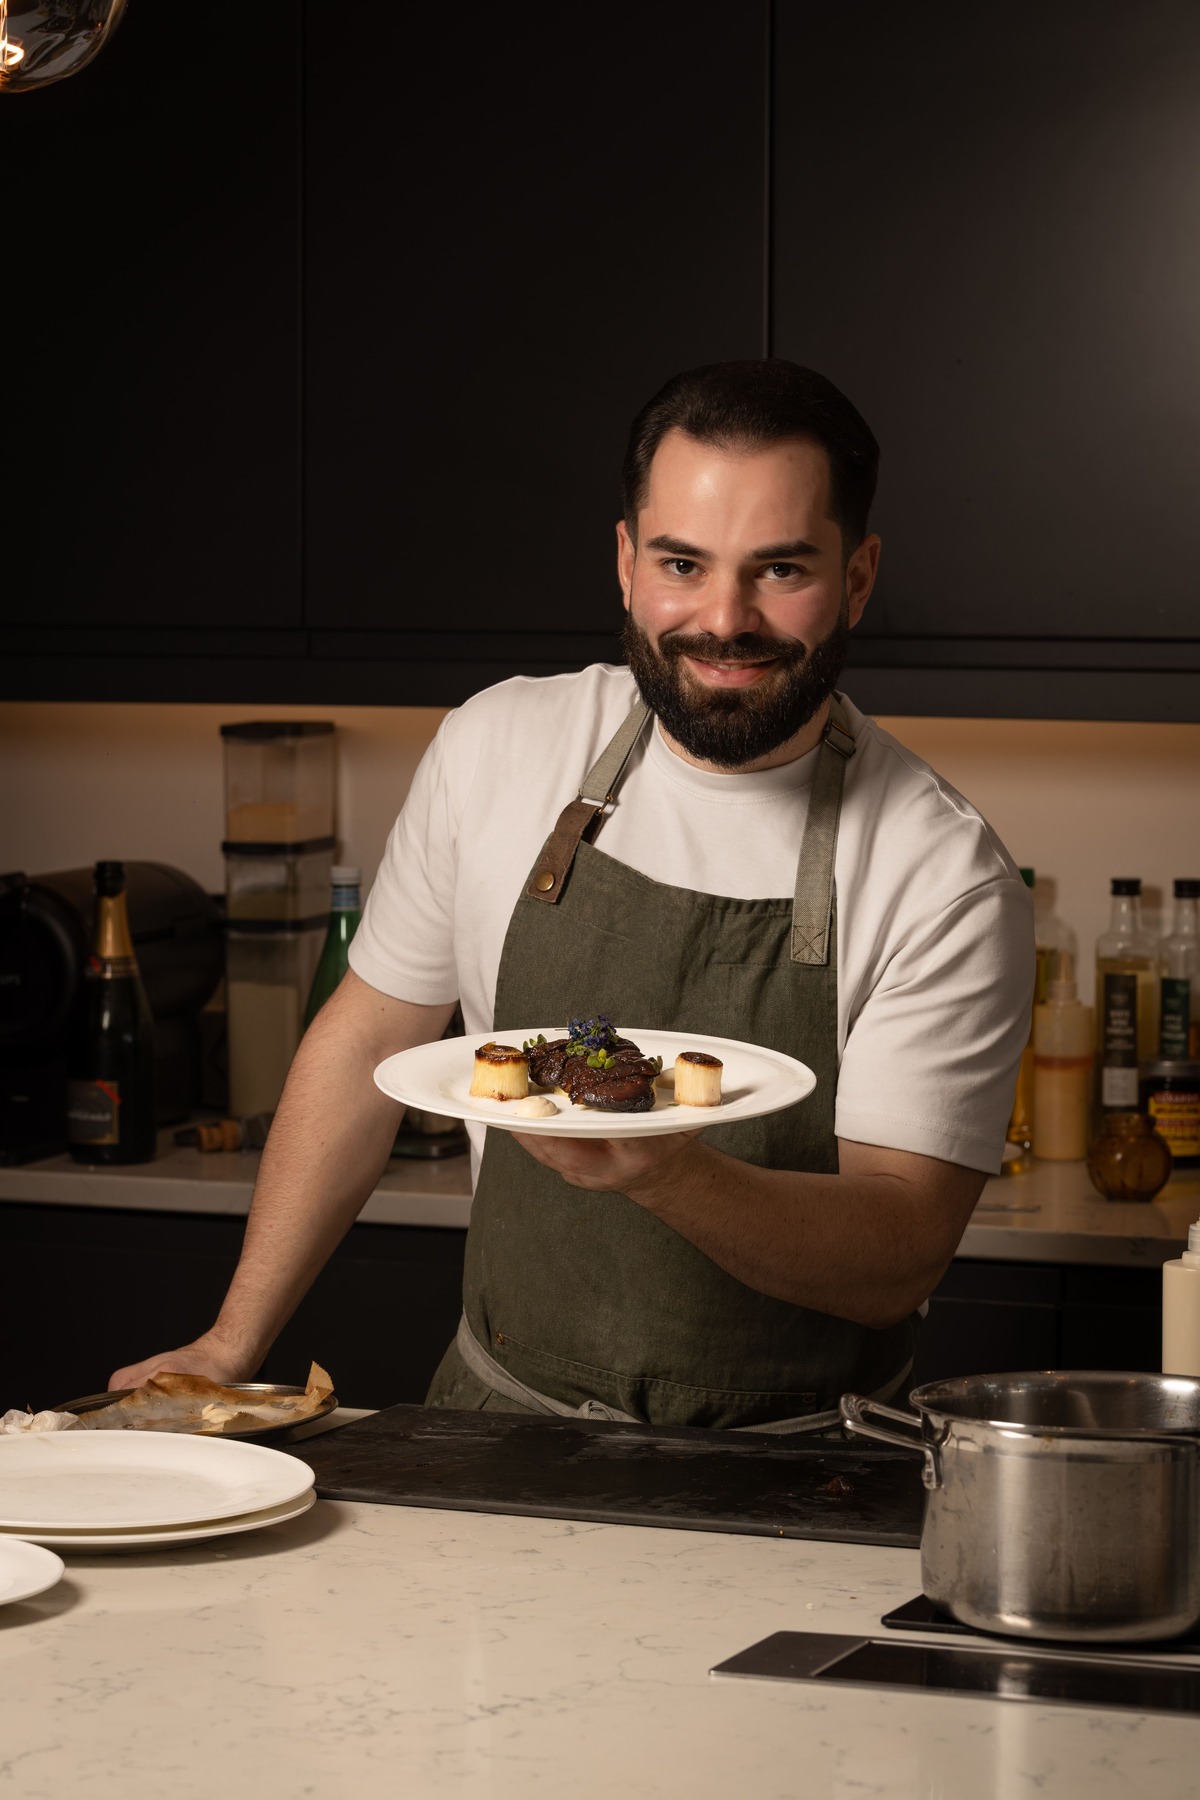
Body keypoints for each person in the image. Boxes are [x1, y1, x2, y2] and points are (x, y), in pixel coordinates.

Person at [115, 360, 1033, 1431]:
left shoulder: (942, 872)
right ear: (624, 562)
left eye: (780, 570)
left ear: (860, 577)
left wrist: (667, 1175)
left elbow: (899, 1250)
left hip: (797, 1474)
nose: (723, 619)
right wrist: (231, 1342)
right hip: (496, 1427)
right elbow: (371, 1038)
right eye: (682, 563)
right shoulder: (498, 745)